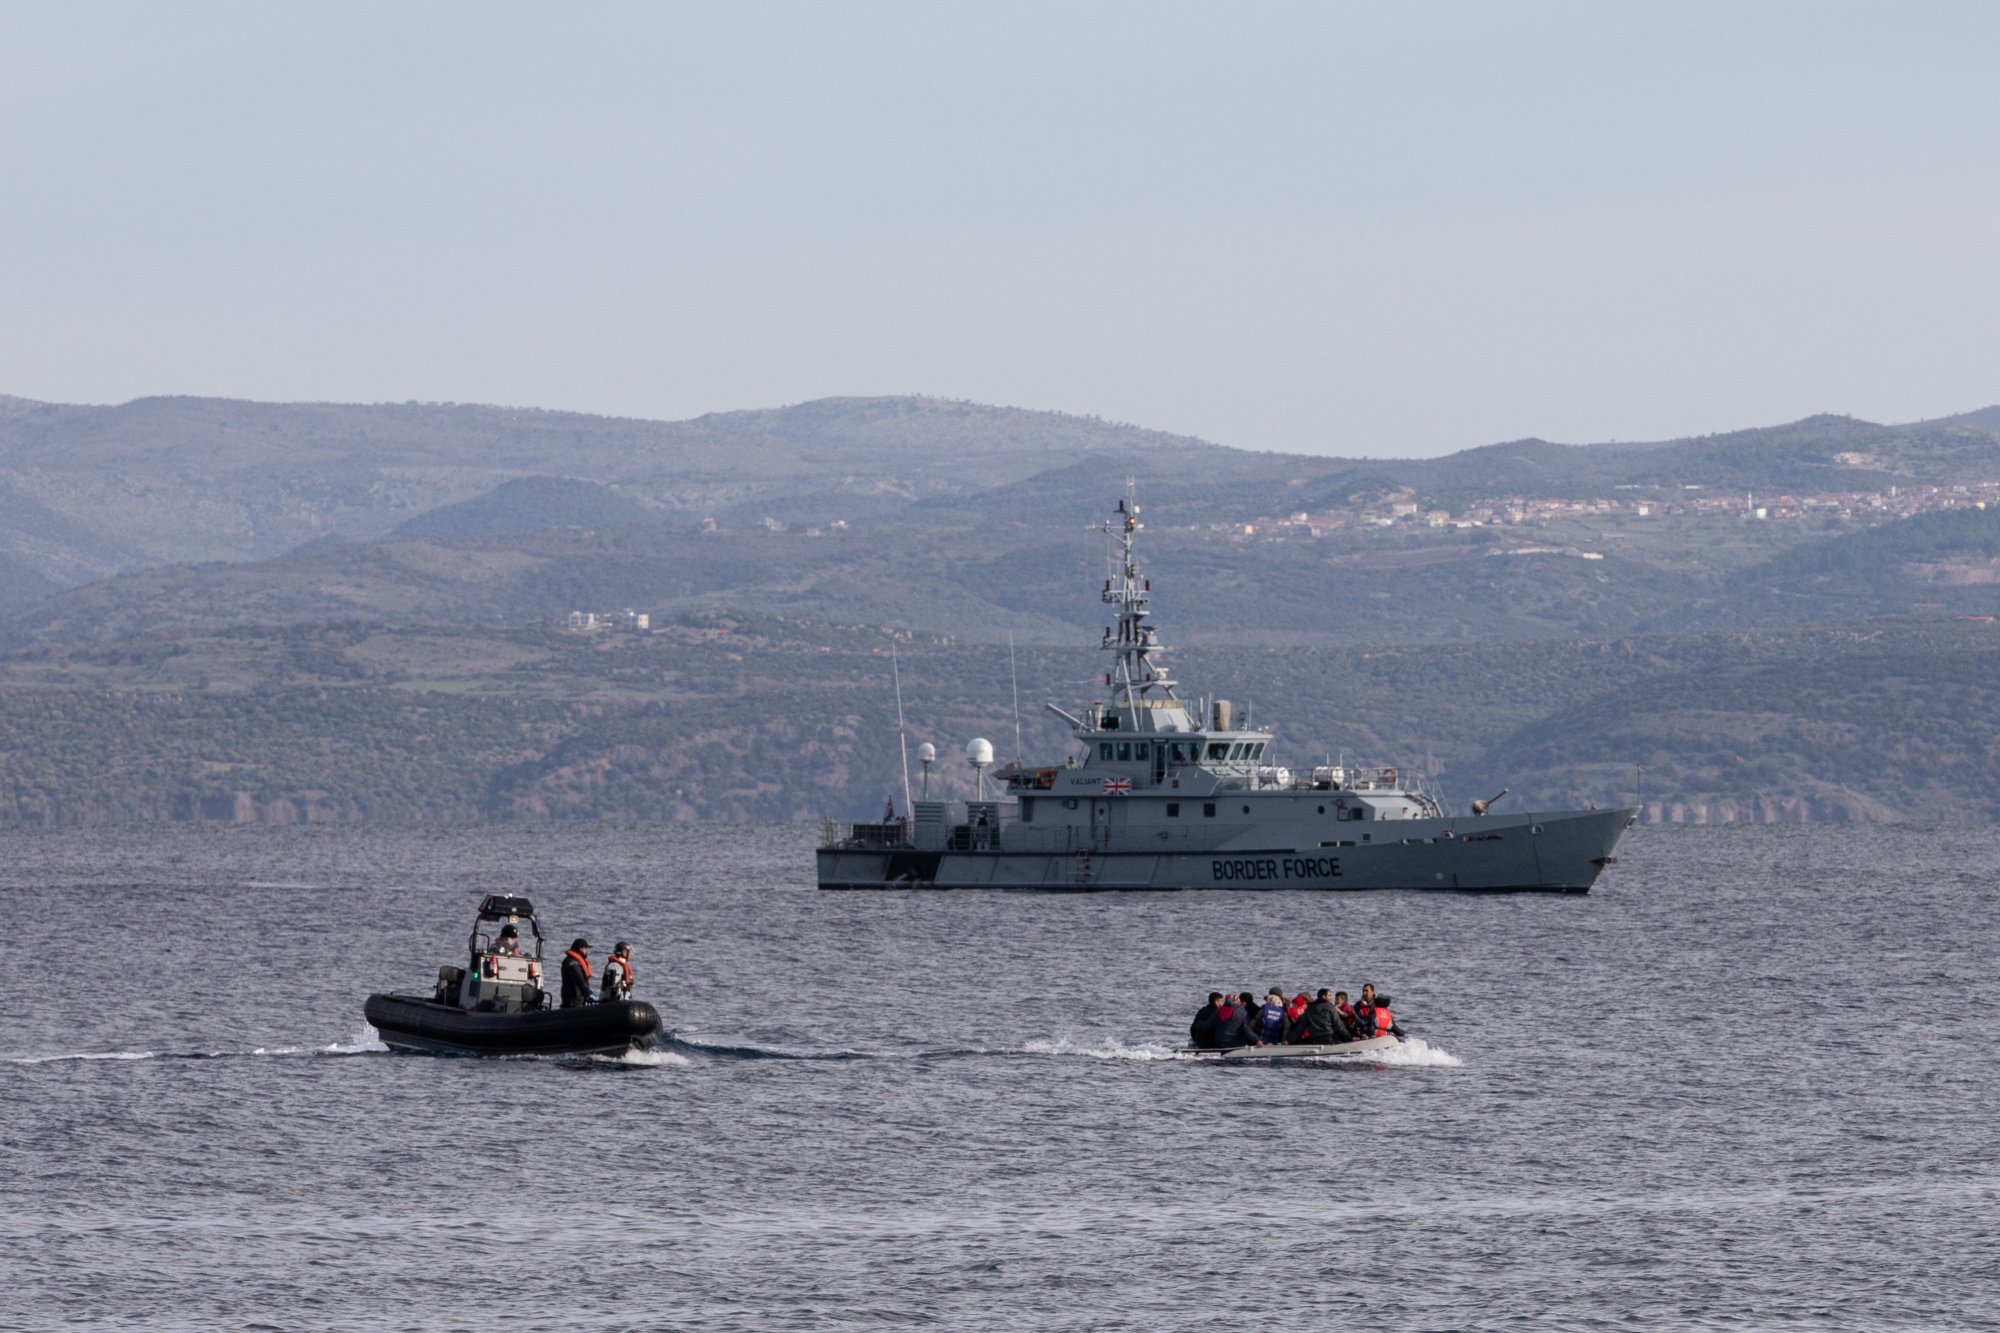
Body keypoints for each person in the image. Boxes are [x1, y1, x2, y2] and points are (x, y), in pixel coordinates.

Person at [560, 937, 594, 1008]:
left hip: (579, 998)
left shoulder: (577, 962)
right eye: (586, 949)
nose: (587, 951)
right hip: (572, 999)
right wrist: (589, 993)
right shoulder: (572, 963)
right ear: (580, 949)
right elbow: (579, 979)